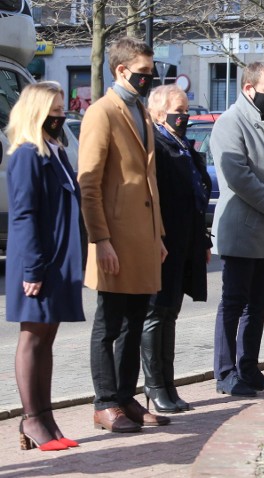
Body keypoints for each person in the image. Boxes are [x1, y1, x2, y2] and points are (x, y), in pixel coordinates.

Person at [78, 37, 170, 433]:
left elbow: (148, 180)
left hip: (143, 238)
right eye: (144, 73)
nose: (150, 79)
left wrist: (159, 234)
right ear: (120, 70)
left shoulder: (141, 112)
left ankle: (124, 395)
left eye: (152, 73)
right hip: (114, 239)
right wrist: (100, 240)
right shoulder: (102, 113)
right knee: (110, 321)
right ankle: (104, 403)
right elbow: (90, 184)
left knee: (137, 319)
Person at [211, 62, 264, 396]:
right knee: (233, 302)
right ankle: (225, 372)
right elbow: (238, 176)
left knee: (259, 303)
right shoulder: (229, 123)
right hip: (243, 227)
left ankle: (249, 368)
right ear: (250, 89)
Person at [6, 81, 84, 451]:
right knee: (32, 337)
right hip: (37, 260)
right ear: (36, 114)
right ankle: (32, 419)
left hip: (56, 258)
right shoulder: (26, 154)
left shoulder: (55, 151)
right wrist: (32, 270)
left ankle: (46, 418)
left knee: (46, 339)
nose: (60, 118)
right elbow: (23, 215)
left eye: (61, 111)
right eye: (53, 113)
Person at [141, 84, 213, 412]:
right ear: (158, 112)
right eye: (178, 110)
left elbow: (197, 195)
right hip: (163, 243)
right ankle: (154, 386)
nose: (184, 116)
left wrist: (204, 242)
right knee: (156, 313)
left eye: (186, 110)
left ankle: (168, 385)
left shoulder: (182, 145)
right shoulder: (155, 143)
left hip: (186, 241)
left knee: (171, 312)